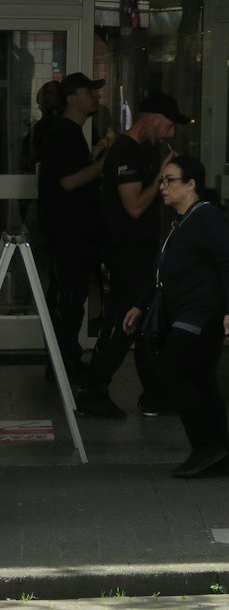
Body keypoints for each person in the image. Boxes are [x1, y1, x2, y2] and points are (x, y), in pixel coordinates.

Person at [122, 155, 229, 478]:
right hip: (186, 309)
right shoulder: (180, 220)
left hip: (201, 313)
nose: (162, 187)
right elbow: (162, 270)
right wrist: (141, 304)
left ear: (191, 185)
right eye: (162, 180)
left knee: (170, 370)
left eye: (169, 180)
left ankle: (207, 446)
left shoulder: (207, 219)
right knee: (203, 381)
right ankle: (221, 454)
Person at [77, 92, 188, 420]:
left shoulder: (143, 151)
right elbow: (135, 206)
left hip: (142, 252)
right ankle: (93, 392)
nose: (169, 134)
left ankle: (154, 393)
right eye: (167, 126)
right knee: (125, 321)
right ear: (152, 118)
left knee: (147, 323)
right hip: (126, 254)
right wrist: (161, 176)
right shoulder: (125, 153)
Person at [34, 73, 109, 387]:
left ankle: (64, 360)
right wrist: (106, 163)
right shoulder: (64, 133)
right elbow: (69, 181)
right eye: (89, 90)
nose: (95, 96)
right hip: (69, 233)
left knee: (69, 298)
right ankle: (63, 363)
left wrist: (93, 157)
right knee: (69, 299)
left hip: (69, 231)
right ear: (72, 97)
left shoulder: (68, 133)